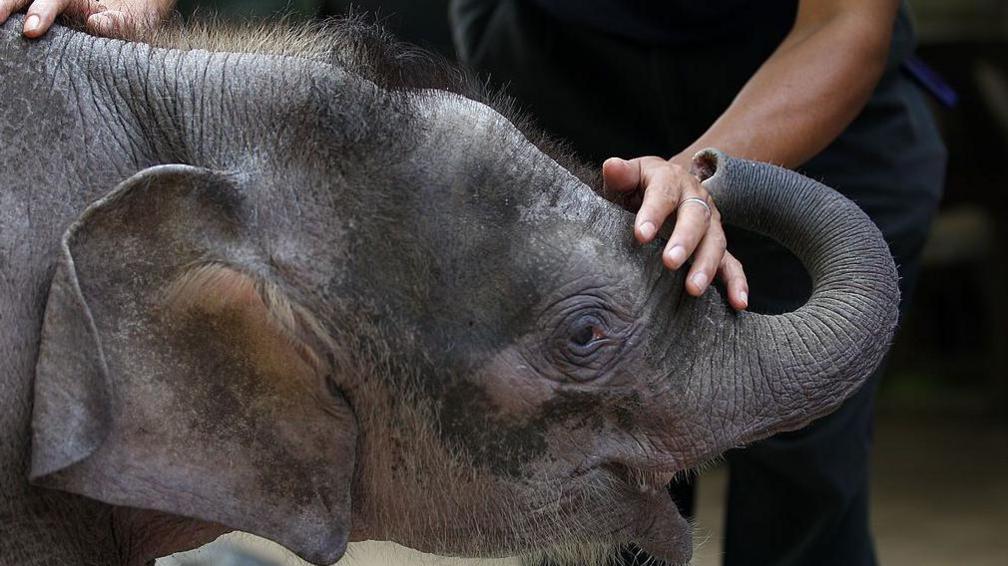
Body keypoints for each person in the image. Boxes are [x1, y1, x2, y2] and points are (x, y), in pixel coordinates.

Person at [1, 1, 945, 564]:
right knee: (585, 505)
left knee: (803, 492)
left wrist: (701, 174)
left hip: (798, 143)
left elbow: (845, 28)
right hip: (563, 124)